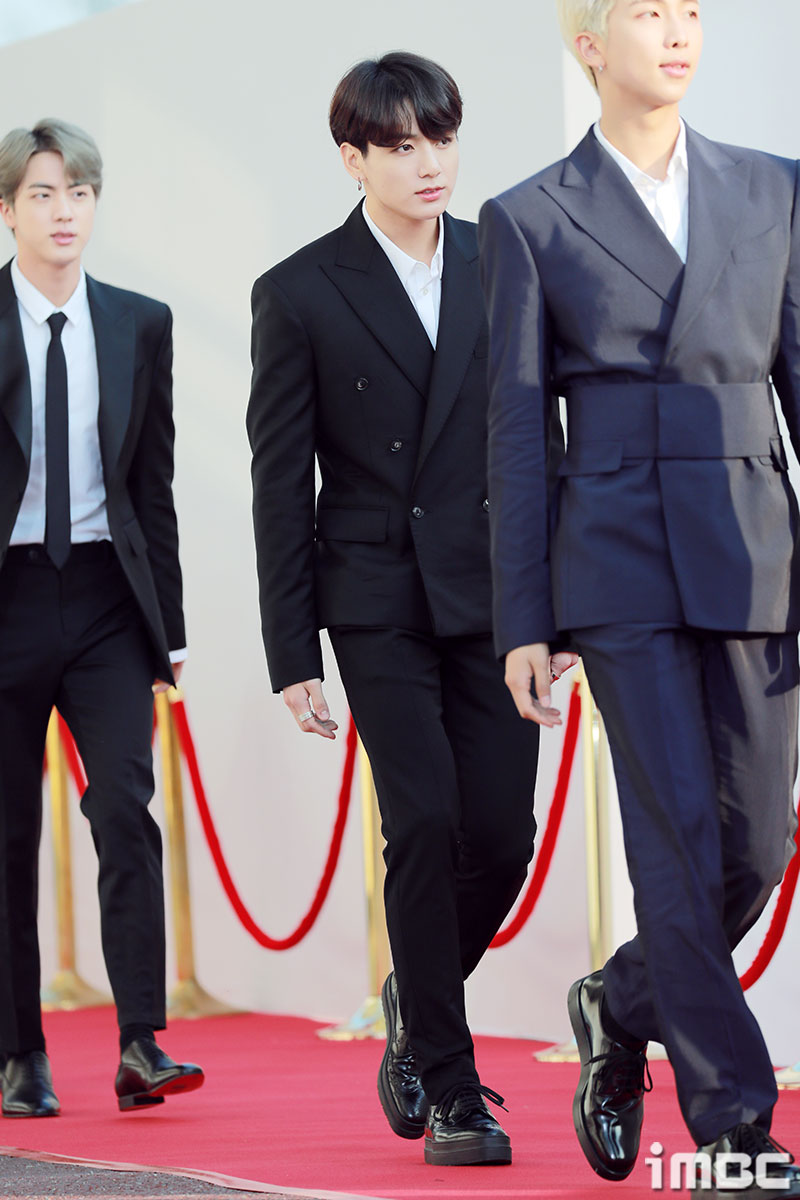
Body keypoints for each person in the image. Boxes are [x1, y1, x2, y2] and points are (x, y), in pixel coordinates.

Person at [478, 0, 800, 1191]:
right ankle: (733, 1127)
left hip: (749, 544)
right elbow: (517, 431)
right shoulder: (526, 216)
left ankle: (616, 1006)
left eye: (689, 11)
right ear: (587, 43)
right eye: (647, 11)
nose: (675, 32)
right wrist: (524, 618)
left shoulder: (772, 188)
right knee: (670, 839)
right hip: (614, 559)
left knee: (751, 849)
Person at [247, 51, 575, 1166]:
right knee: (424, 822)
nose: (429, 162)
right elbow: (280, 482)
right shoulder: (299, 290)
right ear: (353, 158)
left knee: (503, 834)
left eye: (440, 138)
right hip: (376, 596)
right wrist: (293, 648)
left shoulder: (503, 260)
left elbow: (540, 444)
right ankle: (449, 1085)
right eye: (399, 145)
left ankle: (413, 1001)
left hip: (494, 598)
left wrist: (556, 607)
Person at [0, 119, 203, 1117]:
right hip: (5, 597)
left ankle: (139, 1042)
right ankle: (19, 1054)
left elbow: (151, 485)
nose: (63, 211)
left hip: (105, 602)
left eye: (78, 192)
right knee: (8, 835)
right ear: (8, 211)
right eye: (42, 194)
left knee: (125, 806)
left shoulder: (139, 322)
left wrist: (170, 627)